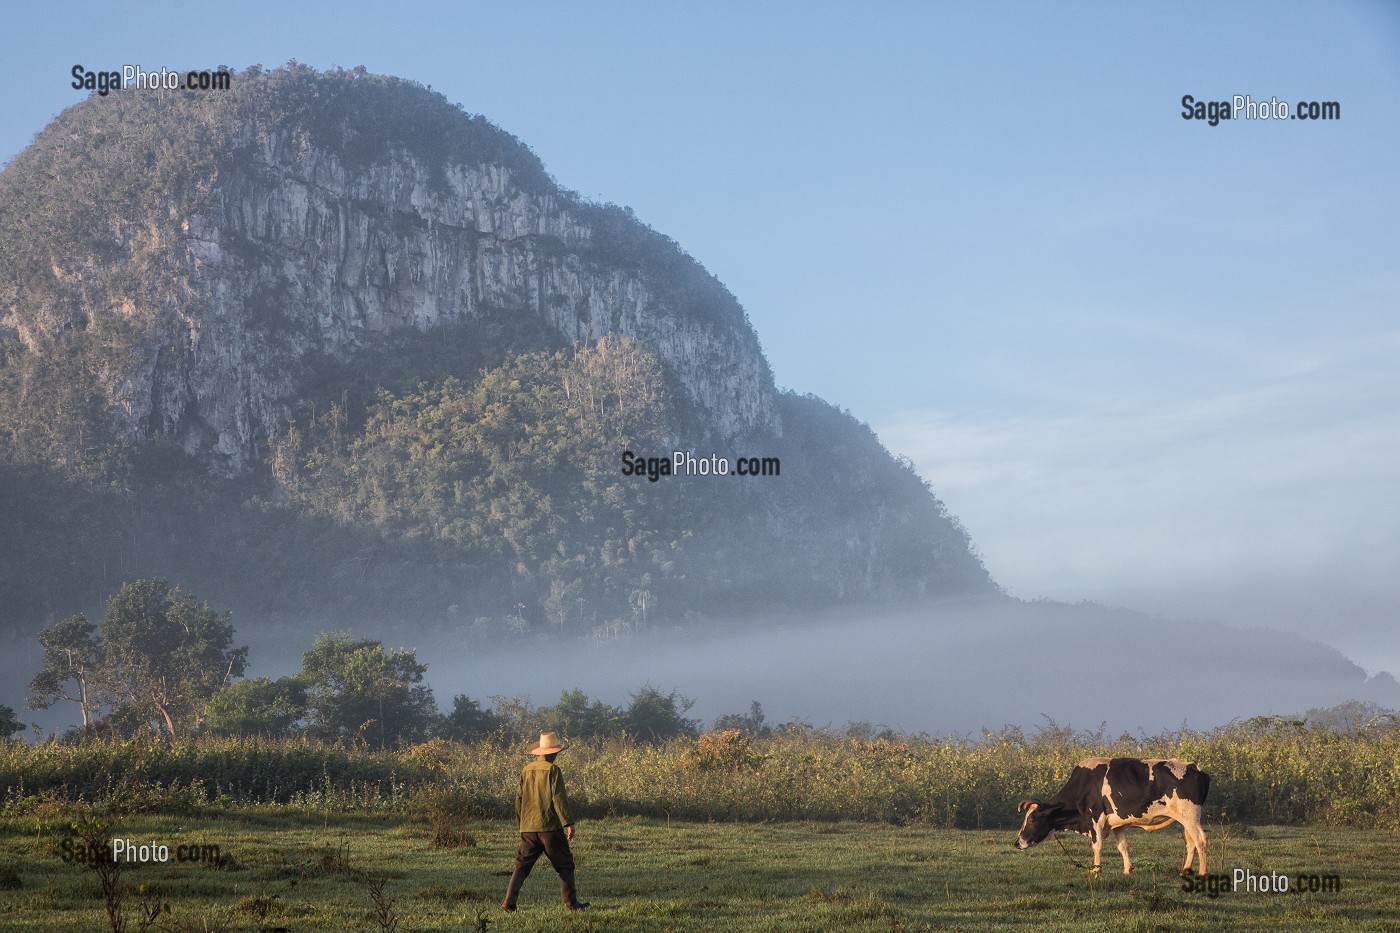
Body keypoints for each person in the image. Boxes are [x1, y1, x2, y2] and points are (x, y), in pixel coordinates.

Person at [502, 731, 589, 911]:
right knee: (565, 864)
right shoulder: (553, 770)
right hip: (550, 828)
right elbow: (558, 798)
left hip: (528, 828)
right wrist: (568, 823)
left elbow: (518, 798)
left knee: (521, 866)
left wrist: (522, 823)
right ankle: (571, 904)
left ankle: (508, 903)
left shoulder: (526, 770)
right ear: (553, 753)